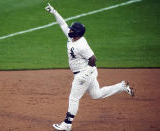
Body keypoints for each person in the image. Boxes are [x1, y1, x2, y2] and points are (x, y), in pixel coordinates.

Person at [45, 3, 134, 131]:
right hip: (88, 73)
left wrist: (86, 74)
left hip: (84, 74)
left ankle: (67, 124)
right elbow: (63, 24)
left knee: (74, 98)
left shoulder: (82, 45)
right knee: (96, 94)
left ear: (77, 33)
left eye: (72, 30)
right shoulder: (72, 38)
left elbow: (93, 59)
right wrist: (54, 12)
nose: (69, 30)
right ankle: (121, 86)